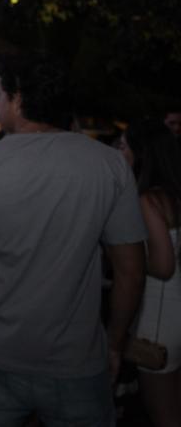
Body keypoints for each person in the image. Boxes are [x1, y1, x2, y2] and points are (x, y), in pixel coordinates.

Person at [0, 56, 147, 426]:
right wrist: (115, 344)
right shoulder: (109, 165)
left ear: (18, 99)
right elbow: (131, 271)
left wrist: (2, 271)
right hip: (77, 360)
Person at [120, 119, 181, 427]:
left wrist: (123, 258)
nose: (119, 153)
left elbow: (163, 266)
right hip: (174, 315)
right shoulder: (174, 196)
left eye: (123, 146)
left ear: (141, 153)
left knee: (163, 414)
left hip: (158, 323)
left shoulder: (149, 200)